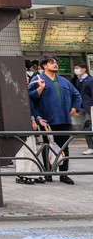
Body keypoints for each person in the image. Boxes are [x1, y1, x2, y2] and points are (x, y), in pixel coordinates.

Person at [28, 54, 81, 184]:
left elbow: (77, 95)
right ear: (44, 66)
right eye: (52, 62)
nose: (55, 64)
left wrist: (75, 108)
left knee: (64, 147)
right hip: (46, 120)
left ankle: (64, 174)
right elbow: (29, 98)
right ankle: (48, 173)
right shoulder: (37, 79)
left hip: (64, 119)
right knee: (47, 146)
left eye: (56, 62)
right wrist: (39, 90)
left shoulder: (64, 81)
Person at [72, 61, 93, 154]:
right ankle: (90, 147)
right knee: (85, 127)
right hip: (82, 108)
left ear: (84, 69)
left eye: (77, 68)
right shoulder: (77, 80)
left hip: (90, 108)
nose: (75, 70)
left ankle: (91, 147)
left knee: (88, 127)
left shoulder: (90, 80)